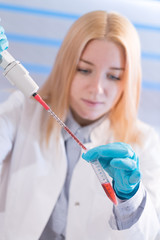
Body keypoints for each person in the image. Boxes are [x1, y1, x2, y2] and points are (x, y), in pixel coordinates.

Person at [0, 10, 160, 240]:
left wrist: (130, 199)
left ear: (128, 81)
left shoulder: (145, 142)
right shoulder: (22, 111)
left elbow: (148, 234)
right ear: (66, 66)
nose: (97, 88)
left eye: (113, 76)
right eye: (84, 70)